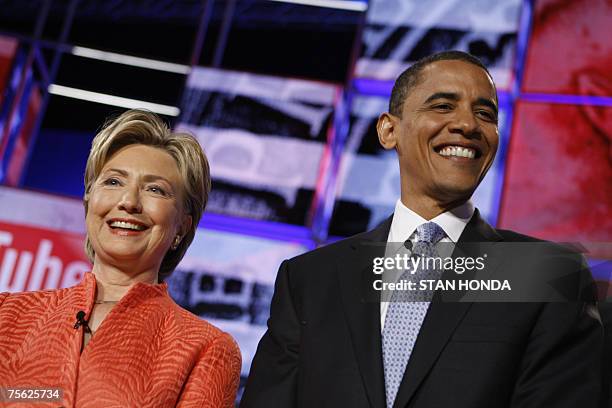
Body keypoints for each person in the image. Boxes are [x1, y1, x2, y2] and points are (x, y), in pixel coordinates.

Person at [240, 51, 603, 408]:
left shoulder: (547, 275)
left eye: (485, 113)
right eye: (443, 106)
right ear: (388, 130)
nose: (467, 125)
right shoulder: (309, 279)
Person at [0, 109, 241, 407]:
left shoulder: (206, 349)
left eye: (155, 189)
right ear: (89, 202)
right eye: (113, 182)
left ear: (182, 225)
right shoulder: (8, 315)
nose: (128, 202)